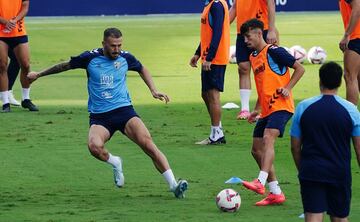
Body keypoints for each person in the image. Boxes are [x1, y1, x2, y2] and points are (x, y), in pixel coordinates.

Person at [27, 28, 188, 198]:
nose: (116, 49)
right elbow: (64, 66)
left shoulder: (126, 58)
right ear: (103, 44)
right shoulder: (89, 58)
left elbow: (142, 69)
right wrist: (39, 74)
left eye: (119, 45)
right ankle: (115, 161)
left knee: (148, 144)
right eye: (113, 46)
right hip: (100, 116)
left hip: (125, 111)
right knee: (94, 147)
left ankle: (174, 185)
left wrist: (153, 90)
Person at [239, 19, 304, 206]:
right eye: (244, 37)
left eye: (248, 36)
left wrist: (288, 87)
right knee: (256, 149)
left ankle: (260, 181)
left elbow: (300, 69)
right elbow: (262, 86)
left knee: (268, 138)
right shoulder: (253, 56)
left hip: (282, 106)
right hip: (266, 110)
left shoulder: (274, 51)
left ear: (259, 34)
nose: (245, 40)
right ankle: (275, 192)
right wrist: (257, 109)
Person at [290, 62, 360, 222]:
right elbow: (358, 148)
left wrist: (303, 170)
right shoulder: (351, 110)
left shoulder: (303, 107)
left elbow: (295, 147)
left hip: (311, 171)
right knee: (340, 218)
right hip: (339, 172)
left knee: (313, 216)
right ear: (340, 82)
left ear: (320, 80)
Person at [189, 0, 230, 145]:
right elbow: (209, 34)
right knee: (205, 93)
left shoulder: (217, 5)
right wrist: (198, 53)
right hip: (209, 56)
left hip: (215, 58)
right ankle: (217, 130)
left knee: (212, 94)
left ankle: (216, 135)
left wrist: (210, 57)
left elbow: (217, 33)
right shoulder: (212, 4)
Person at [229, 0, 278, 120]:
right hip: (242, 32)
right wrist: (222, 28)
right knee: (243, 68)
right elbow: (235, 7)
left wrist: (271, 30)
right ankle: (244, 109)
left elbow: (271, 3)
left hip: (261, 30)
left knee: (266, 70)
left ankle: (265, 108)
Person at [0, 0, 38, 112]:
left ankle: (26, 99)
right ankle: (5, 102)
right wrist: (5, 21)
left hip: (18, 31)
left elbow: (25, 7)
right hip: (1, 33)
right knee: (2, 66)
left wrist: (14, 21)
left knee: (25, 65)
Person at [339, 0, 360, 105]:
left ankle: (352, 117)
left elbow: (357, 7)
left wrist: (347, 34)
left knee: (350, 76)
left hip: (356, 37)